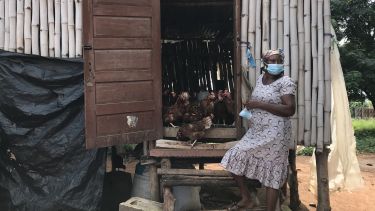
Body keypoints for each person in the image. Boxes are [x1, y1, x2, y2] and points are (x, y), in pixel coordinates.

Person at [221, 49, 296, 211]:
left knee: (272, 174)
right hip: (257, 132)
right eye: (272, 61)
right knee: (234, 156)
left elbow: (289, 109)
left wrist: (259, 105)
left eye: (278, 61)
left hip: (276, 134)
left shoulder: (286, 82)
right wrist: (250, 106)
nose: (275, 64)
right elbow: (258, 101)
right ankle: (247, 198)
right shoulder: (261, 79)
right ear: (265, 63)